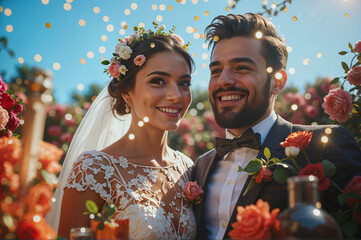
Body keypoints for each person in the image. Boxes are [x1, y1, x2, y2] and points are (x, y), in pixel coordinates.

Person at [192, 13, 361, 239]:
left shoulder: (326, 147)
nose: (223, 80)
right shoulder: (200, 167)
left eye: (241, 67)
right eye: (216, 70)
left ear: (277, 81)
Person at [46, 24, 197, 239]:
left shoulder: (189, 168)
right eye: (158, 81)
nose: (176, 95)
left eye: (184, 83)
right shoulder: (94, 170)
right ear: (126, 92)